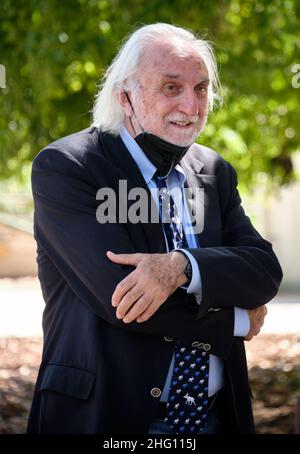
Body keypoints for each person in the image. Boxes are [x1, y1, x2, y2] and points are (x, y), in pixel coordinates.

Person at [27, 23, 282, 434]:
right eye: (170, 87)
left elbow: (264, 270)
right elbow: (124, 300)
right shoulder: (68, 167)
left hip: (216, 418)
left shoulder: (215, 171)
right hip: (108, 419)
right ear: (124, 97)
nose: (191, 104)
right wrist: (236, 318)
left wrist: (181, 265)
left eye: (200, 88)